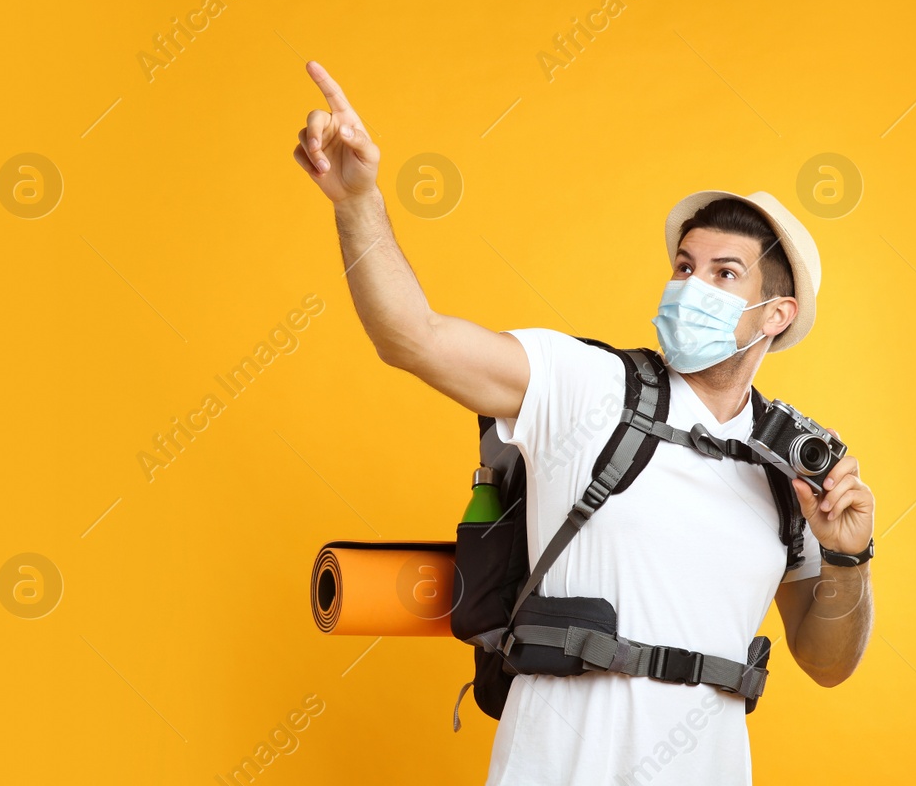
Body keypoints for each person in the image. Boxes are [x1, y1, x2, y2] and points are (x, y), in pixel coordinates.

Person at [291, 60, 875, 785]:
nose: (691, 284)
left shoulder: (788, 466)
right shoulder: (587, 384)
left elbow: (826, 663)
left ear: (775, 315)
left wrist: (847, 559)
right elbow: (412, 335)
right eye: (684, 266)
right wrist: (357, 201)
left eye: (725, 274)